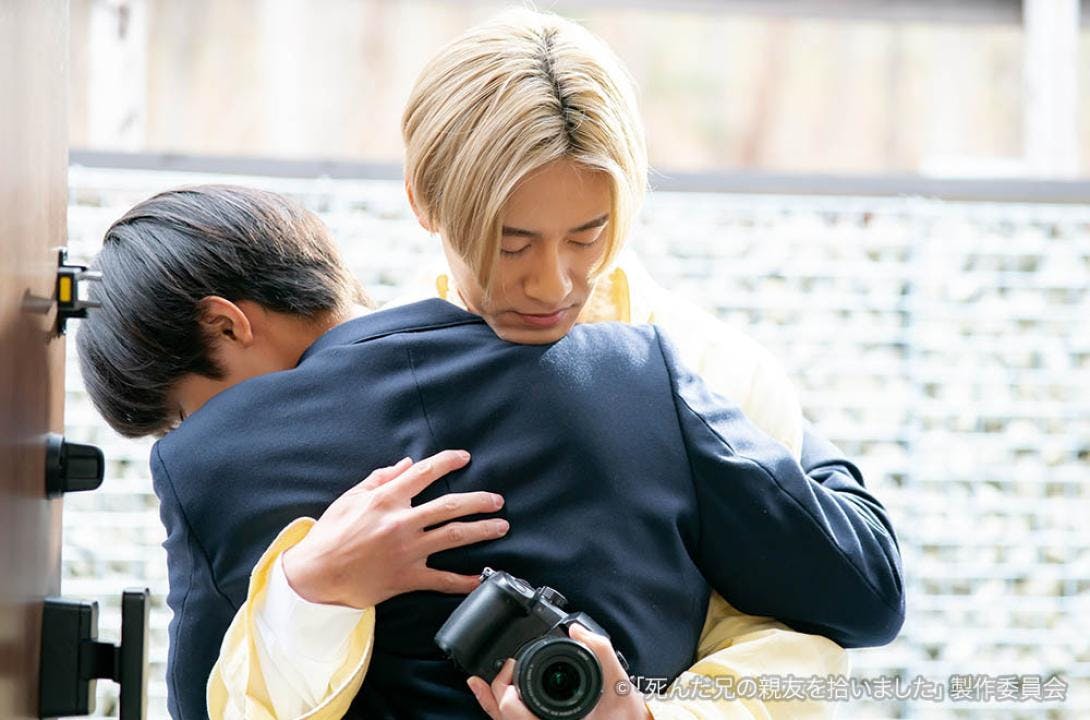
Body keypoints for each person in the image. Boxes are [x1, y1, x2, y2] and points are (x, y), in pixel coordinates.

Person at [208, 8, 889, 720]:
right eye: (512, 243)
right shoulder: (364, 393)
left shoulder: (717, 373)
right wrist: (308, 589)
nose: (552, 283)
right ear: (423, 201)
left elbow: (798, 641)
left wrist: (648, 716)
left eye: (588, 237)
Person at [76, 185, 904, 720]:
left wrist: (304, 590)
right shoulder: (637, 366)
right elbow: (862, 596)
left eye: (180, 414)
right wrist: (784, 425)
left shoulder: (211, 464)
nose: (196, 435)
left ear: (226, 325)